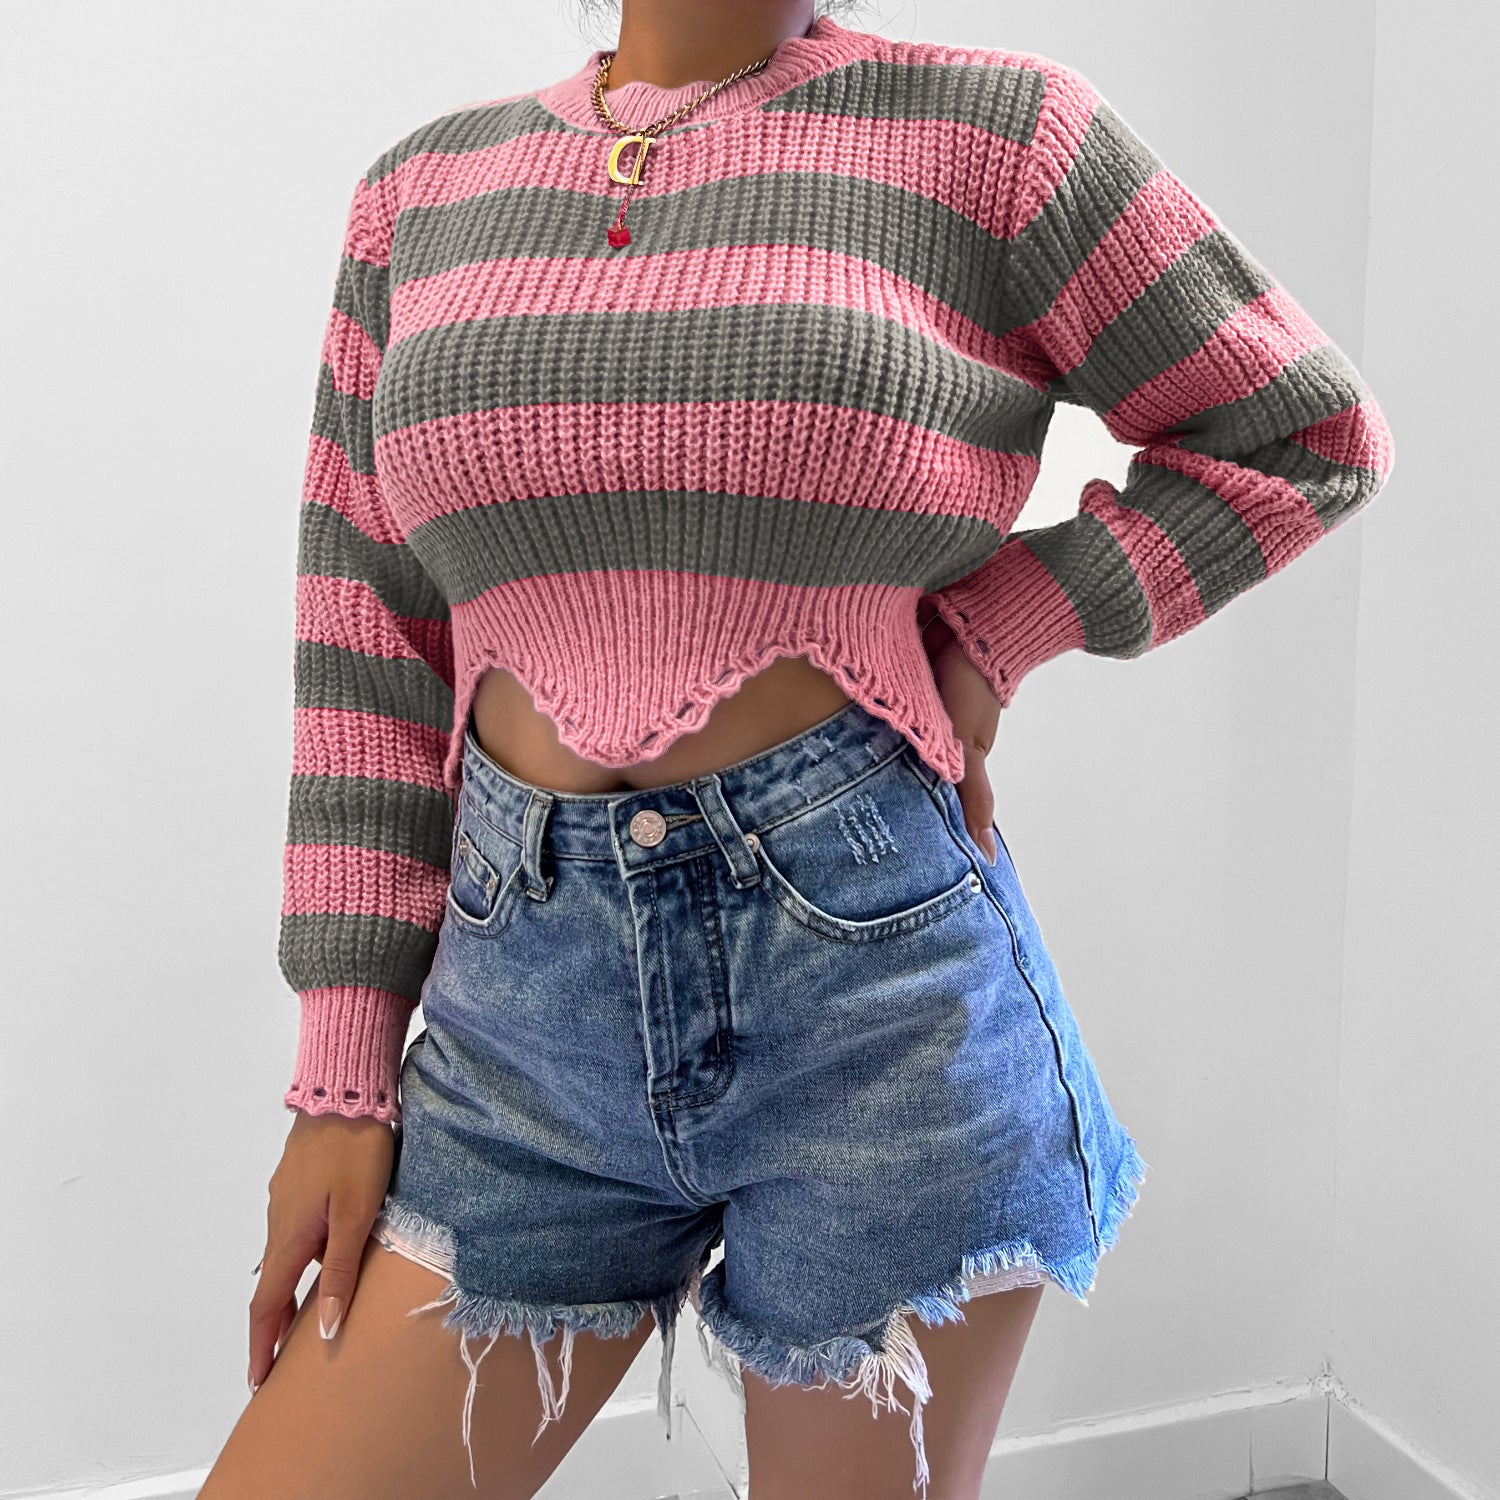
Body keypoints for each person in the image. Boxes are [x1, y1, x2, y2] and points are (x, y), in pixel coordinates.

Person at [201, 1, 1394, 1495]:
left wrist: (999, 624)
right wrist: (341, 1072)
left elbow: (1302, 434)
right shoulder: (419, 196)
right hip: (519, 1029)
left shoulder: (1002, 136)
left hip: (879, 1005)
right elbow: (366, 637)